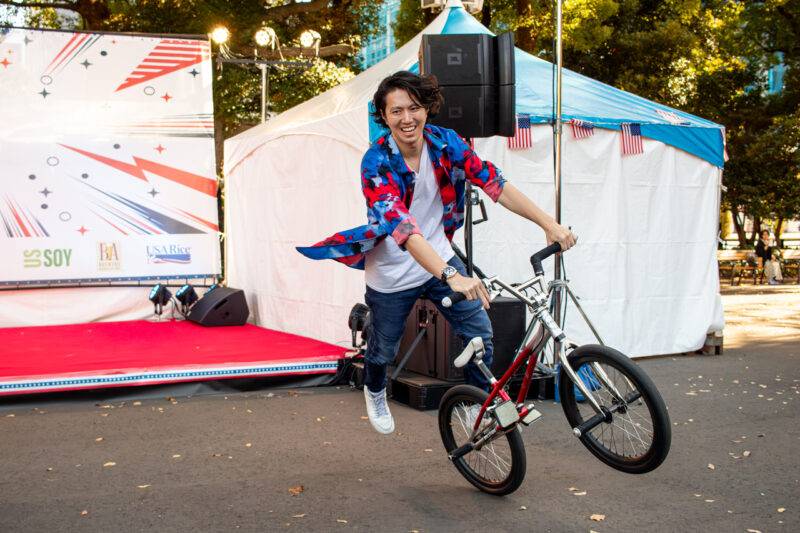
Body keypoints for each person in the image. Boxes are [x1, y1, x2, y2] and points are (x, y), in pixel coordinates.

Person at [297, 71, 575, 435]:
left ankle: (476, 405)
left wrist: (548, 224)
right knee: (383, 351)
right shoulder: (375, 162)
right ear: (384, 116)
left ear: (427, 109)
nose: (407, 118)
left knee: (480, 334)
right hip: (393, 272)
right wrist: (452, 275)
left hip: (440, 256)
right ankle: (375, 390)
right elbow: (406, 232)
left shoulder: (446, 142)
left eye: (414, 108)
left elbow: (494, 183)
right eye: (396, 111)